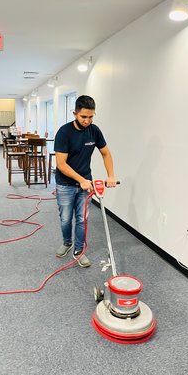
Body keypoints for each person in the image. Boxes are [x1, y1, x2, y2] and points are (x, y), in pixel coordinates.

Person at [54, 95, 116, 267]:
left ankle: (79, 250)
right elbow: (61, 164)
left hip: (85, 185)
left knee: (82, 219)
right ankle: (67, 242)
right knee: (66, 218)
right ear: (75, 113)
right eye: (83, 117)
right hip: (65, 184)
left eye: (91, 117)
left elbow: (106, 154)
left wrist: (110, 175)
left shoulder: (94, 131)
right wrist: (81, 179)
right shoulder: (64, 132)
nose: (87, 121)